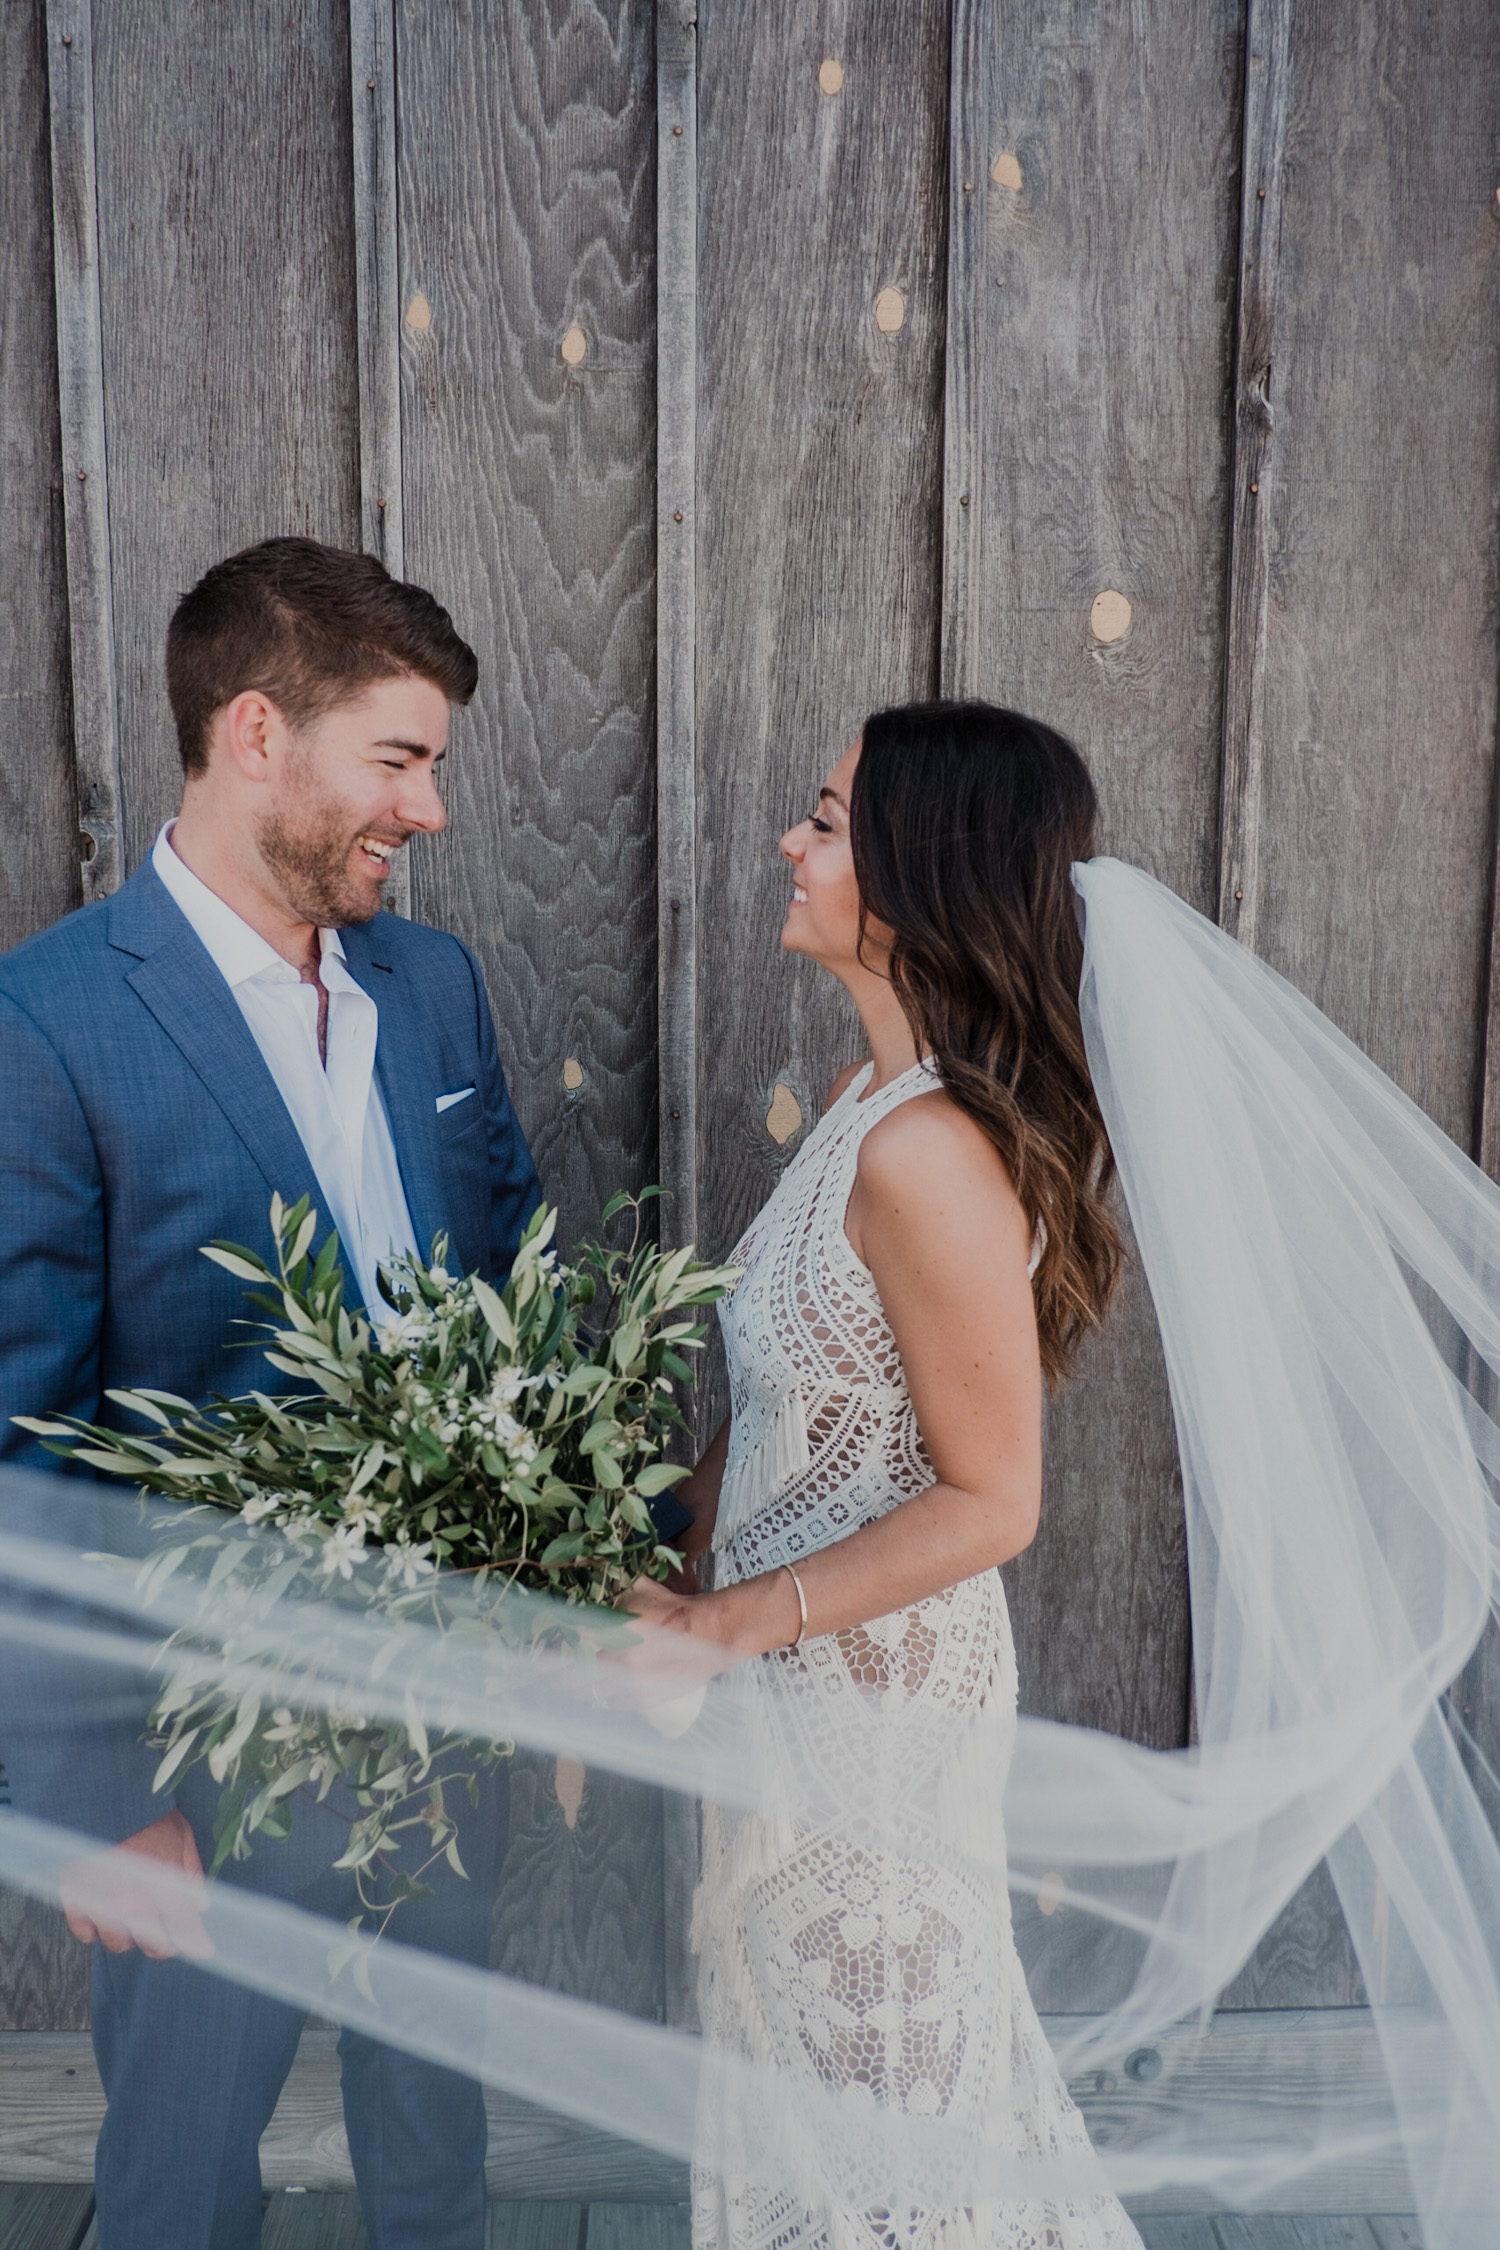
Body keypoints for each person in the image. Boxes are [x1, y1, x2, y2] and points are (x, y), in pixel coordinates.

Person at [0, 537, 540, 2250]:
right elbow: (26, 1443)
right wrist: (92, 1805)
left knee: (435, 2156)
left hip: (450, 1703)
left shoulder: (430, 988)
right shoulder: (51, 1023)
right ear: (255, 732)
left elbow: (516, 1270)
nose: (429, 809)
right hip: (195, 1756)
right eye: (399, 759)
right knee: (176, 2184)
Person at [625, 703, 1142, 2248]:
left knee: (887, 2112)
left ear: (924, 873)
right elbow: (791, 1395)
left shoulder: (929, 1154)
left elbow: (996, 1499)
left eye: (828, 818)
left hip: (875, 1726)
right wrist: (651, 1542)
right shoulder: (865, 1105)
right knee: (801, 2095)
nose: (792, 840)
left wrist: (721, 1626)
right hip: (788, 1696)